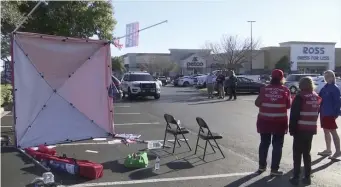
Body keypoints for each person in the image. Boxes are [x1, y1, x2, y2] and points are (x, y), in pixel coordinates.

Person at [255, 69, 291, 176]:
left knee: (264, 144)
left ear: (271, 77)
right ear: (282, 78)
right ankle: (274, 169)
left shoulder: (264, 89)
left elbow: (257, 103)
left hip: (264, 120)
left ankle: (262, 167)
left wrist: (267, 104)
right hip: (279, 122)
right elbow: (288, 106)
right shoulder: (285, 90)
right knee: (277, 145)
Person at [289, 77, 321, 186]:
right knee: (307, 153)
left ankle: (296, 177)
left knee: (297, 154)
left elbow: (294, 115)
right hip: (311, 129)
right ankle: (307, 176)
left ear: (301, 85)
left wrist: (291, 129)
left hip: (300, 129)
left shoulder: (300, 97)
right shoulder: (316, 96)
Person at [317, 70, 341, 159]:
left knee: (333, 132)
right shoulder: (324, 88)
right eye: (325, 77)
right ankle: (328, 150)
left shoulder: (335, 88)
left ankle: (338, 151)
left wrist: (336, 113)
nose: (326, 78)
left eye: (328, 76)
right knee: (326, 131)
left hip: (330, 114)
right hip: (323, 114)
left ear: (333, 77)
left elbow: (338, 102)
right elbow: (319, 98)